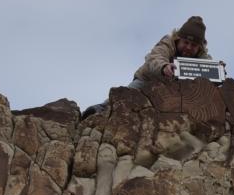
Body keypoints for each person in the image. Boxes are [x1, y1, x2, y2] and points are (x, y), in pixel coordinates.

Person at [81, 16, 214, 119]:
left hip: (174, 92)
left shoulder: (202, 57)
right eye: (186, 42)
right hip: (147, 81)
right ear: (178, 39)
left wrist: (217, 71)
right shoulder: (167, 43)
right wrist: (164, 67)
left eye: (194, 45)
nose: (189, 48)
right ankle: (100, 109)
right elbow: (155, 57)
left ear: (200, 47)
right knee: (125, 95)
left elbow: (209, 70)